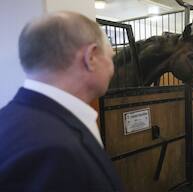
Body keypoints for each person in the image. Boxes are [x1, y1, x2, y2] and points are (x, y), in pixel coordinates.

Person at [0, 11, 123, 191]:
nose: (113, 68)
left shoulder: (8, 119)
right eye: (112, 57)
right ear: (91, 58)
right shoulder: (57, 152)